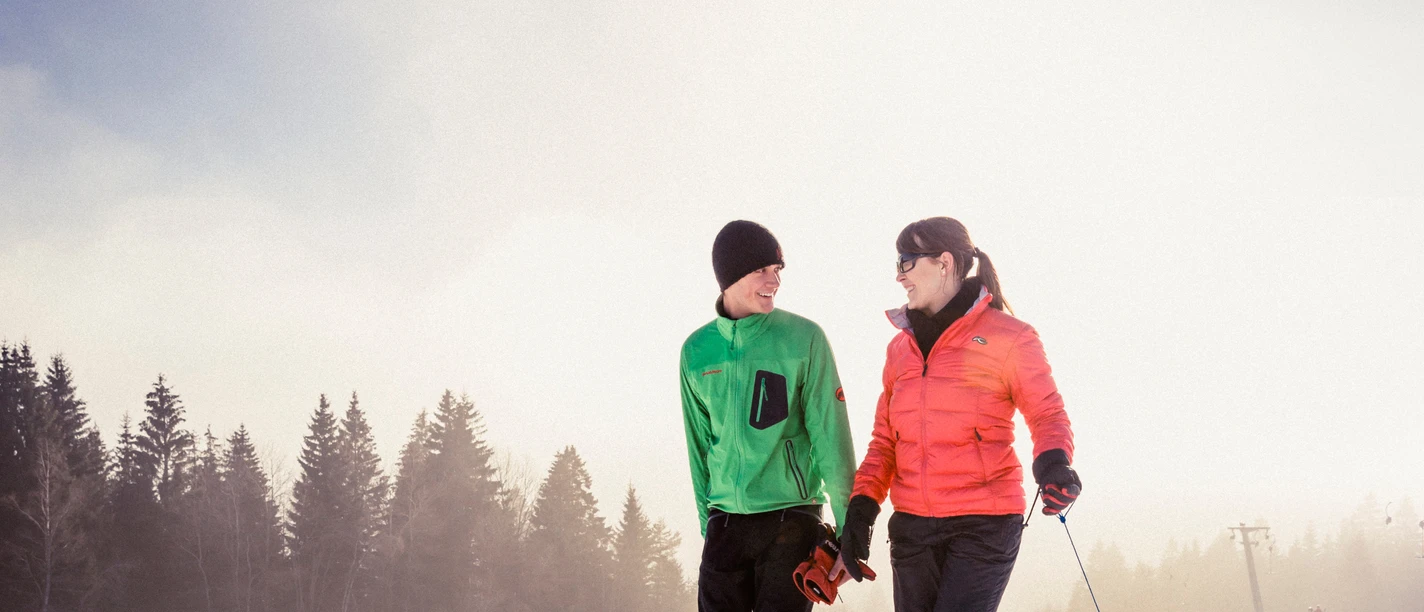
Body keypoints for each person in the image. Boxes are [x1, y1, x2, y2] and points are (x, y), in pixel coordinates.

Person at [836, 217, 1080, 612]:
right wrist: (861, 512)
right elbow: (885, 441)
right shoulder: (900, 350)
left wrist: (1054, 464)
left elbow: (1047, 412)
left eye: (906, 261)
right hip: (913, 526)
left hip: (983, 523)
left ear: (944, 261)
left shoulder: (1010, 336)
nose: (899, 276)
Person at [680, 220, 857, 612]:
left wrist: (851, 532)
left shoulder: (803, 339)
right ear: (728, 275)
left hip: (790, 520)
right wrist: (708, 527)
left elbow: (832, 439)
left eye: (777, 270)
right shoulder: (697, 351)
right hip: (725, 527)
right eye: (761, 270)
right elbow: (699, 448)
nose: (773, 281)